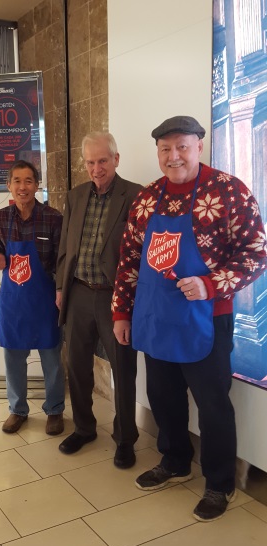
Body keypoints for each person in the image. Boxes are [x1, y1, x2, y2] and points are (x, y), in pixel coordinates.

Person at [113, 115, 267, 520]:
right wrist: (121, 312)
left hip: (207, 319)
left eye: (182, 146)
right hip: (154, 314)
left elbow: (256, 251)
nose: (173, 155)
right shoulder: (147, 199)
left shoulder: (228, 191)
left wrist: (211, 284)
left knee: (213, 404)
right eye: (165, 148)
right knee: (163, 396)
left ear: (199, 145)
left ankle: (219, 484)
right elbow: (128, 261)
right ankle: (175, 460)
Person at [56, 131, 142, 468]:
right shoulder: (75, 196)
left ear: (116, 160)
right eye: (90, 162)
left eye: (102, 161)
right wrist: (60, 288)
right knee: (76, 365)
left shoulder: (135, 195)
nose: (96, 168)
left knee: (123, 368)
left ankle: (125, 438)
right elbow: (65, 247)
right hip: (77, 292)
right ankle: (84, 428)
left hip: (114, 297)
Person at [0, 160, 65, 436]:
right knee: (13, 359)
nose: (23, 187)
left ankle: (55, 410)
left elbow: (62, 260)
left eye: (28, 181)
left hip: (45, 301)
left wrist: (60, 292)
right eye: (17, 181)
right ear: (9, 185)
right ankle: (17, 409)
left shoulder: (53, 218)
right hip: (14, 303)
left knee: (52, 361)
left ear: (36, 185)